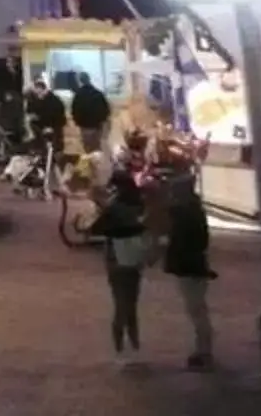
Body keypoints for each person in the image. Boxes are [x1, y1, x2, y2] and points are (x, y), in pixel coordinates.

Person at [160, 169, 216, 369]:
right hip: (194, 265)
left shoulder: (186, 214)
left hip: (190, 267)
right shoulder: (193, 211)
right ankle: (203, 350)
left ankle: (204, 352)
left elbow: (184, 241)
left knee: (197, 309)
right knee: (197, 309)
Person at [98, 171, 149, 363]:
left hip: (116, 258)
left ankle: (120, 347)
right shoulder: (138, 204)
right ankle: (134, 343)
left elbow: (100, 227)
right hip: (134, 257)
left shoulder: (114, 206)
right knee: (131, 302)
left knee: (120, 303)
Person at [70, 76, 112, 158]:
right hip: (97, 126)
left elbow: (74, 111)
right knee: (97, 147)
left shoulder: (78, 95)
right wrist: (101, 120)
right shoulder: (98, 93)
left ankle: (91, 167)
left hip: (85, 126)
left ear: (80, 82)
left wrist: (78, 122)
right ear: (89, 80)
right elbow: (106, 109)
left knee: (88, 149)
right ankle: (98, 166)